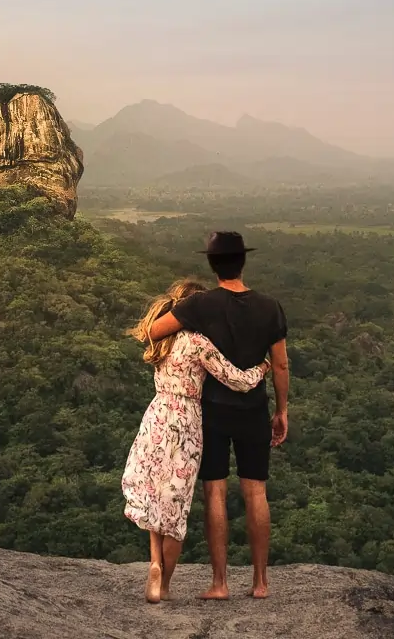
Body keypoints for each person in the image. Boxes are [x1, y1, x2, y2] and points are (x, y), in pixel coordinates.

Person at [147, 231, 289, 600]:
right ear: (243, 262)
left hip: (211, 412)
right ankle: (260, 583)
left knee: (215, 493)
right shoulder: (271, 306)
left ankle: (220, 583)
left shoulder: (201, 305)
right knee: (256, 490)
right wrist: (282, 409)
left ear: (212, 265)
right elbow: (281, 365)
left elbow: (152, 331)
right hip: (254, 408)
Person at [122, 278, 270, 604]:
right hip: (186, 424)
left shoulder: (161, 341)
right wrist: (263, 367)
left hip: (156, 418)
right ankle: (164, 584)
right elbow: (237, 380)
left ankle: (155, 564)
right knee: (176, 509)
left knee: (156, 499)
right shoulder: (198, 343)